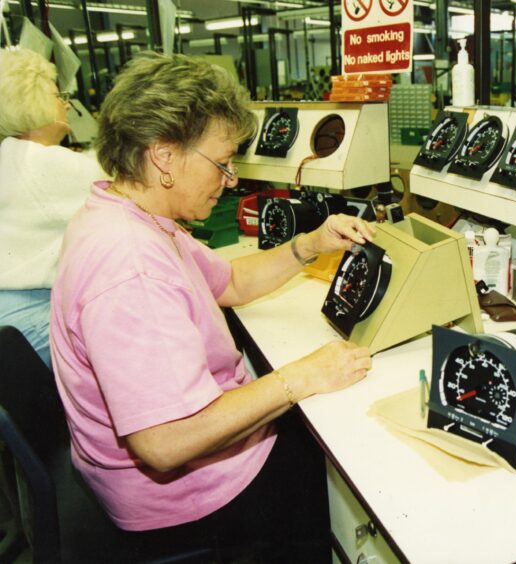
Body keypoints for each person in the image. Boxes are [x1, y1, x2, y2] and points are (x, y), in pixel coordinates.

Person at [49, 52, 374, 561]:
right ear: (164, 156)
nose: (230, 181)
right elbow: (165, 441)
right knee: (336, 459)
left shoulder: (134, 216)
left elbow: (231, 282)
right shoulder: (130, 264)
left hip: (169, 474)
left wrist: (310, 244)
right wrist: (300, 377)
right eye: (221, 163)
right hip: (186, 501)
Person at [0, 47, 105, 367]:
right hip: (30, 318)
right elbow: (134, 192)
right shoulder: (44, 162)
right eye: (58, 94)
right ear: (33, 101)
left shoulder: (9, 154)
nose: (66, 103)